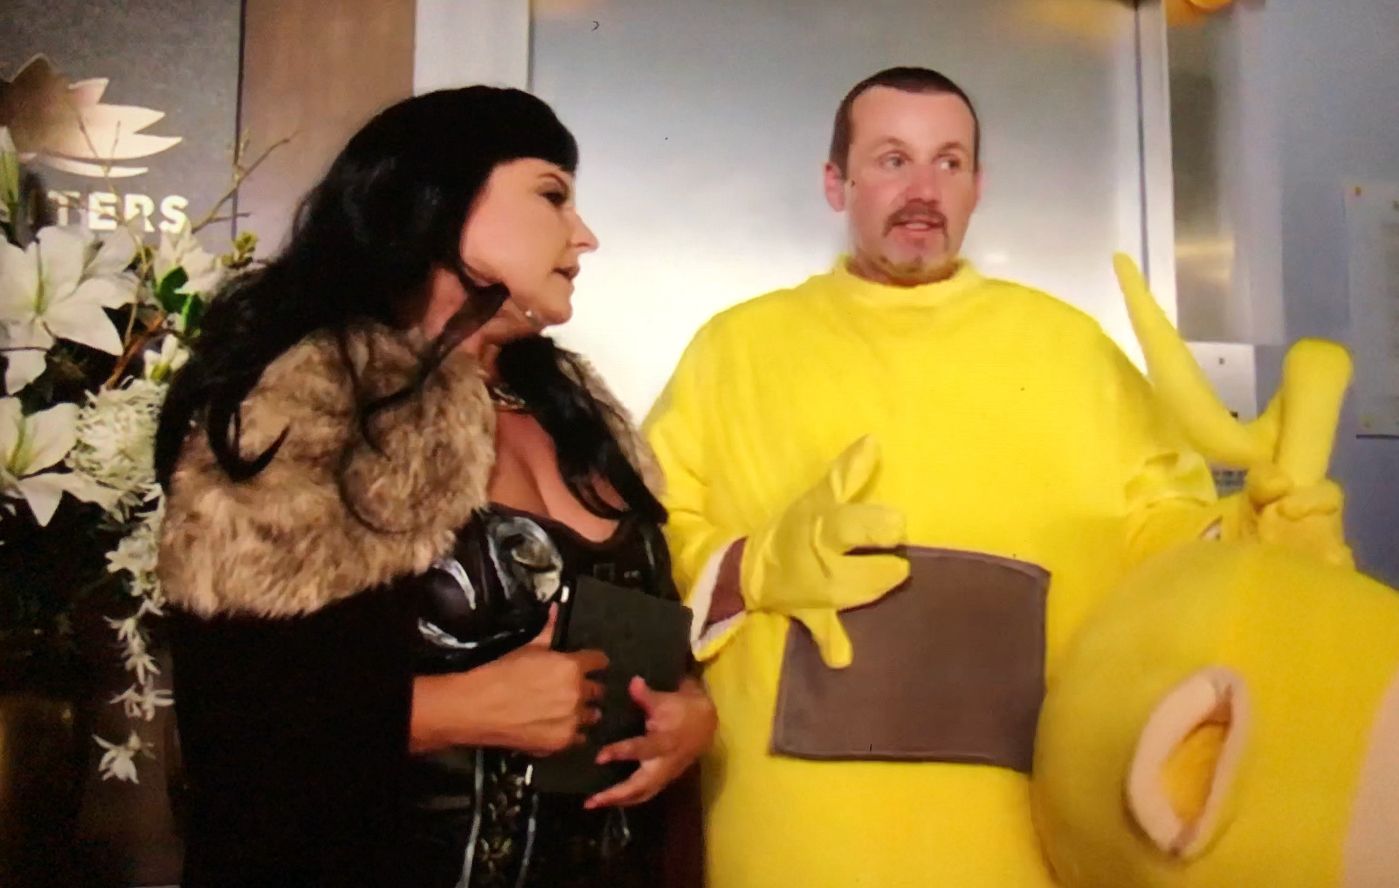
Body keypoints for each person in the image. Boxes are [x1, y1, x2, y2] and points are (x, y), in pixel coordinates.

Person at [643, 66, 1347, 887]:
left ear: (977, 186)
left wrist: (1252, 539)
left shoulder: (1071, 350)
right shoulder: (735, 350)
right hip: (791, 835)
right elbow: (644, 539)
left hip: (1020, 835)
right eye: (891, 160)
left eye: (948, 162)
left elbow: (1160, 540)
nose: (922, 190)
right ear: (836, 183)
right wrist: (750, 567)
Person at [154, 86, 715, 888]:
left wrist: (688, 710)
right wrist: (459, 711)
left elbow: (645, 643)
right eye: (551, 195)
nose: (583, 235)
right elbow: (232, 720)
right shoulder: (314, 398)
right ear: (441, 200)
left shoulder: (575, 408)